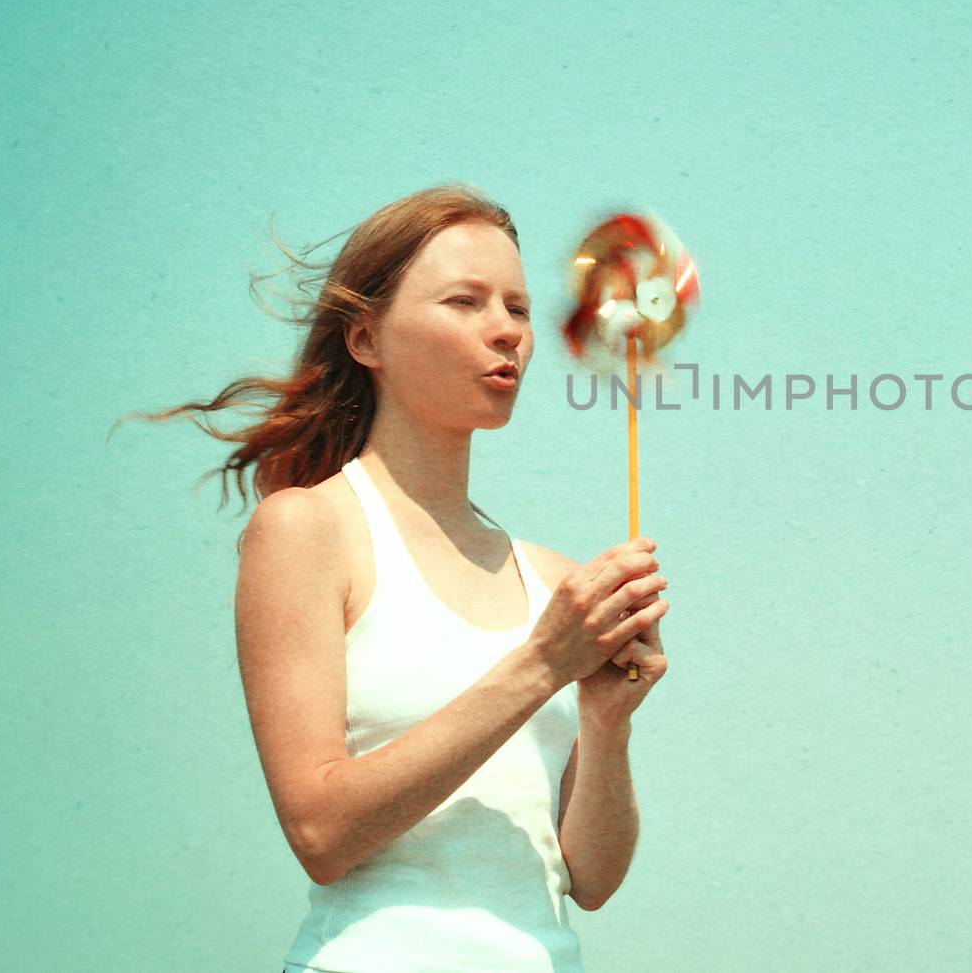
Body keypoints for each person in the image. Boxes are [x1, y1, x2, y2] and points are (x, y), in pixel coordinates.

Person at [123, 183, 670, 971]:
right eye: (465, 301)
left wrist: (608, 719)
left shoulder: (554, 581)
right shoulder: (308, 528)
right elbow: (320, 832)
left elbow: (589, 879)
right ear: (365, 338)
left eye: (518, 308)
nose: (506, 332)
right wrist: (544, 663)